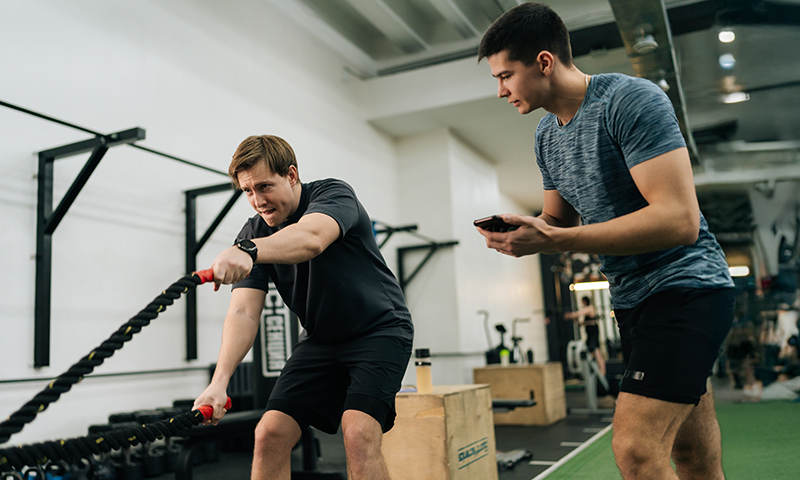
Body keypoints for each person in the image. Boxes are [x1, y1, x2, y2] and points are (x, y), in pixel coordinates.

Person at [476, 3, 735, 479]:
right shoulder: (545, 137)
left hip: (686, 287)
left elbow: (680, 221)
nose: (500, 91)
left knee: (636, 450)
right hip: (632, 300)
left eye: (506, 76)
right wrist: (525, 231)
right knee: (693, 456)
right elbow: (557, 218)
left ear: (544, 62)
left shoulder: (628, 100)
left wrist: (554, 240)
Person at [193, 135, 414, 480]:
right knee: (269, 434)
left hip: (379, 331)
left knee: (357, 432)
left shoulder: (333, 194)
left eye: (265, 186)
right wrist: (219, 382)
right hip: (320, 340)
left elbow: (310, 239)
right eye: (247, 191)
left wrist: (248, 251)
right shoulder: (255, 231)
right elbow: (243, 312)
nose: (257, 201)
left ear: (292, 175)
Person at [564, 296, 606, 376]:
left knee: (596, 349)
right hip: (589, 332)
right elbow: (580, 324)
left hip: (593, 332)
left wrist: (570, 315)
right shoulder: (587, 310)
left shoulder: (590, 308)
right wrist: (573, 318)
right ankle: (594, 369)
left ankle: (602, 371)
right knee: (591, 350)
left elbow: (578, 313)